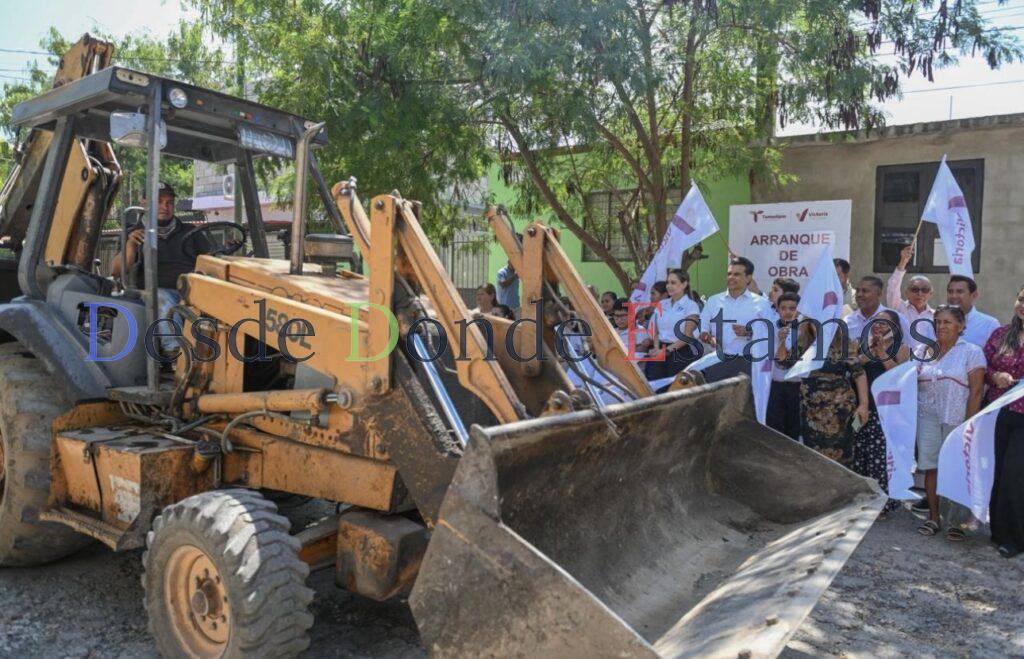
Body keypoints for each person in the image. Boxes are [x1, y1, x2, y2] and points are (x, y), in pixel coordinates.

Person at [112, 182, 214, 353]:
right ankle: (175, 352)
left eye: (169, 202)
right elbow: (115, 270)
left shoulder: (191, 232)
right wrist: (130, 245)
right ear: (144, 202)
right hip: (149, 291)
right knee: (161, 297)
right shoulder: (133, 233)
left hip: (191, 290)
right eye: (158, 201)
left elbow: (211, 258)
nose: (164, 207)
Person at [913, 305, 986, 539]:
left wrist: (968, 425)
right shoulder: (924, 350)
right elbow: (905, 378)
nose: (941, 326)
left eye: (947, 322)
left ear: (961, 326)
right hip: (928, 418)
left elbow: (976, 392)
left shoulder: (972, 351)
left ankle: (957, 521)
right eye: (938, 322)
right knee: (931, 467)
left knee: (956, 469)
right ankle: (934, 518)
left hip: (957, 419)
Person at [852, 309, 911, 517]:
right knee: (860, 455)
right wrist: (869, 351)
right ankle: (861, 499)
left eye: (885, 323)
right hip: (863, 407)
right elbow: (854, 367)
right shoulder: (863, 344)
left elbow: (898, 377)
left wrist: (882, 353)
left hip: (887, 411)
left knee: (881, 458)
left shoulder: (901, 348)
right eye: (876, 322)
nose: (878, 326)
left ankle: (882, 504)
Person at [982, 285, 1024, 558]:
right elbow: (983, 365)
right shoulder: (1000, 334)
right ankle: (998, 531)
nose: (1022, 305)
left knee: (1015, 475)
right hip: (998, 413)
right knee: (996, 472)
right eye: (1021, 298)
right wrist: (994, 376)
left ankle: (1015, 538)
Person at [797, 319, 870, 467]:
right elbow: (782, 362)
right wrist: (780, 341)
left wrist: (863, 404)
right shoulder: (803, 343)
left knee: (841, 454)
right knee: (813, 455)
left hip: (839, 410)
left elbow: (859, 373)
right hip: (810, 410)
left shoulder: (843, 343)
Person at [698, 257, 770, 379]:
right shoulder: (714, 301)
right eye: (729, 274)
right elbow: (702, 328)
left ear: (748, 278)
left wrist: (750, 331)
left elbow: (769, 334)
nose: (731, 277)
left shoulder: (762, 303)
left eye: (736, 274)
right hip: (716, 361)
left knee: (745, 398)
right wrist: (708, 337)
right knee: (715, 397)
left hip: (748, 362)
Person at [647, 270, 701, 379]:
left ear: (684, 284)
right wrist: (657, 348)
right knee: (654, 386)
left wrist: (666, 351)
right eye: (668, 282)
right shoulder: (662, 304)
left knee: (676, 389)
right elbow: (656, 332)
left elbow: (687, 336)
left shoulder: (691, 306)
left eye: (673, 283)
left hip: (680, 352)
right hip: (661, 350)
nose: (669, 286)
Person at [766, 292, 802, 440]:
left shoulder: (806, 331)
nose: (787, 312)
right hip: (776, 386)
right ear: (778, 310)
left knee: (795, 428)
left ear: (799, 310)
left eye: (792, 308)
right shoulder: (770, 330)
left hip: (798, 387)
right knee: (776, 429)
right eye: (784, 308)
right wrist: (780, 340)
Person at [885, 244, 935, 349]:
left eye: (925, 290)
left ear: (931, 294)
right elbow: (892, 288)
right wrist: (903, 262)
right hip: (903, 362)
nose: (920, 293)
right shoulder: (898, 308)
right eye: (915, 289)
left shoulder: (936, 316)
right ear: (906, 292)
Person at [844, 276, 911, 347]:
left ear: (879, 294)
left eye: (865, 291)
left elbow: (910, 348)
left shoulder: (898, 318)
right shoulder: (848, 320)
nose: (859, 295)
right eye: (857, 291)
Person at [946, 275, 1000, 348]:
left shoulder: (990, 325)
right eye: (950, 291)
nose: (954, 296)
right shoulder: (936, 322)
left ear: (974, 295)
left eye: (960, 291)